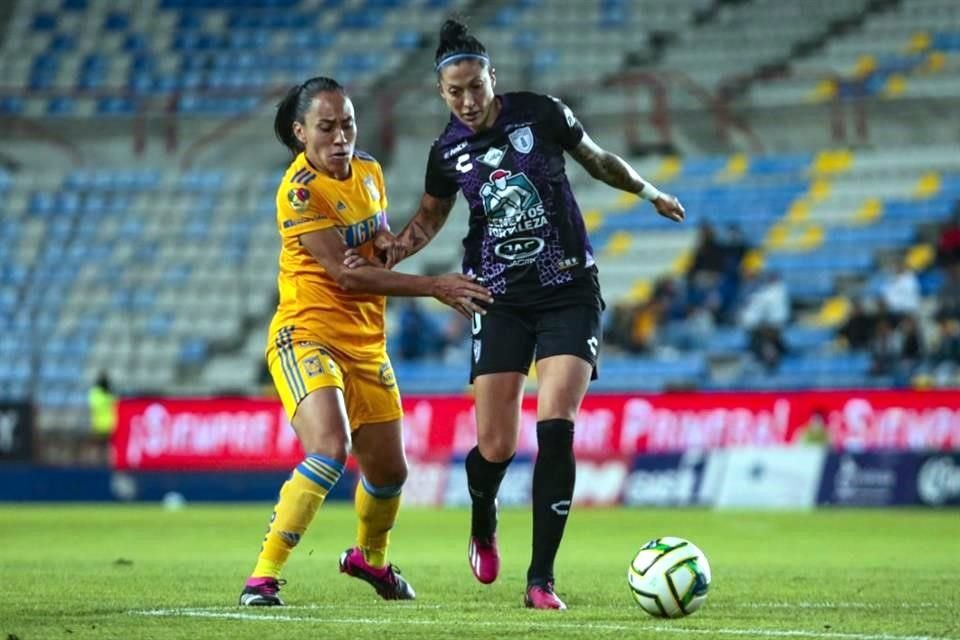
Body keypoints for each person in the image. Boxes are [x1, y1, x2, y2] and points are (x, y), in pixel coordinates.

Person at [368, 19, 685, 610]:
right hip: (497, 299)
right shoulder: (446, 152)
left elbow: (598, 160)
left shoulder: (542, 114)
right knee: (495, 445)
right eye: (455, 91)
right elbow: (430, 218)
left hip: (569, 289)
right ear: (441, 93)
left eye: (475, 86)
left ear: (494, 78)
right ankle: (483, 514)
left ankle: (541, 579)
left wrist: (649, 192)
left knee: (557, 422)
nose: (467, 99)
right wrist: (396, 249)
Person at [238, 76, 492, 607]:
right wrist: (433, 286)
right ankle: (262, 577)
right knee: (331, 449)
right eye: (326, 127)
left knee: (390, 471)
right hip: (305, 335)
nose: (340, 137)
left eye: (347, 124)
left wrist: (384, 243)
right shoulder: (301, 191)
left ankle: (369, 561)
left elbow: (376, 239)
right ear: (300, 131)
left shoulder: (370, 171)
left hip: (366, 345)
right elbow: (347, 276)